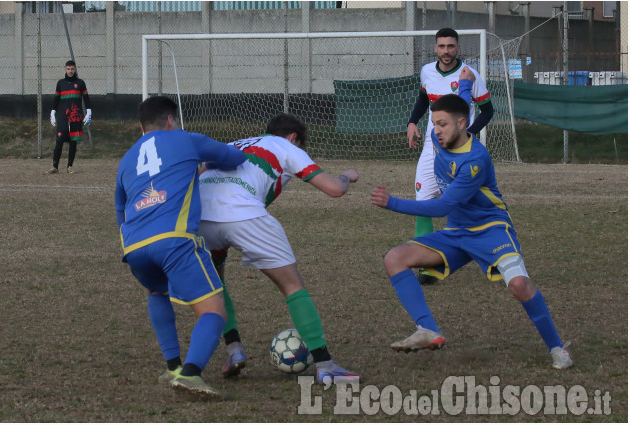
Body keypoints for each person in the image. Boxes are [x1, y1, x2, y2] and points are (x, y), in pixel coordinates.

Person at [371, 69, 573, 370]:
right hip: (458, 232)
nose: (435, 130)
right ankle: (427, 329)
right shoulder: (445, 137)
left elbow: (443, 206)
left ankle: (558, 348)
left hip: (491, 230)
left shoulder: (475, 159)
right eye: (433, 124)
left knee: (519, 285)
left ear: (461, 125)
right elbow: (461, 103)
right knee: (395, 258)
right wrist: (464, 83)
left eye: (441, 124)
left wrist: (392, 203)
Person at [197, 112, 361, 383]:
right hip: (243, 215)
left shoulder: (236, 143)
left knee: (217, 285)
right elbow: (334, 189)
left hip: (201, 216)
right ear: (294, 138)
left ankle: (234, 350)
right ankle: (325, 365)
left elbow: (200, 168)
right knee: (292, 286)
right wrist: (347, 175)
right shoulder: (285, 146)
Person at [114, 96, 246, 398]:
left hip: (134, 245)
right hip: (175, 240)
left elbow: (120, 209)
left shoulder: (126, 159)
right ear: (171, 120)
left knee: (156, 291)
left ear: (141, 126)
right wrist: (206, 163)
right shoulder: (186, 139)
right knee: (214, 311)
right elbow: (234, 158)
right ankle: (190, 374)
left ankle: (173, 365)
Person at [407, 28, 494, 285]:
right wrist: (413, 122)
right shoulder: (427, 72)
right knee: (422, 197)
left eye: (451, 46)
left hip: (460, 151)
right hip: (431, 147)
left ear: (458, 48)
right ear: (435, 48)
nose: (446, 51)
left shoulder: (469, 75)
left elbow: (488, 111)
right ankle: (425, 263)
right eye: (442, 46)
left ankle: (488, 250)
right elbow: (424, 98)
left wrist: (467, 134)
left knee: (465, 202)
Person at [46, 60, 92, 174]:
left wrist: (89, 112)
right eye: (68, 69)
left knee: (73, 141)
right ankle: (55, 166)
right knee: (59, 140)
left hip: (76, 116)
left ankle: (69, 167)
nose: (70, 71)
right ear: (65, 69)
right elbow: (56, 99)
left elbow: (86, 98)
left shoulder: (80, 83)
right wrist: (52, 112)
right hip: (63, 116)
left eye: (72, 69)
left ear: (75, 69)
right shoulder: (60, 83)